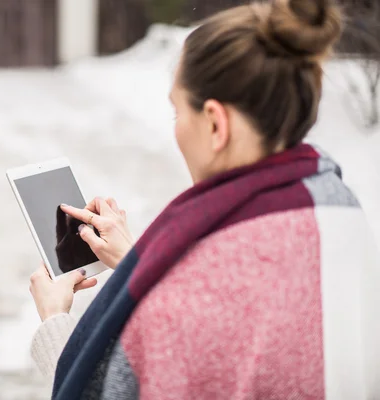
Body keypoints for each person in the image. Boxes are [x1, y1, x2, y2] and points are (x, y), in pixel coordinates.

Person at [29, 0, 380, 398]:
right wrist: (138, 266)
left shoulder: (206, 282)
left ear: (216, 123)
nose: (177, 131)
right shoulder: (336, 205)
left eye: (178, 113)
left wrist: (53, 321)